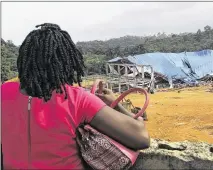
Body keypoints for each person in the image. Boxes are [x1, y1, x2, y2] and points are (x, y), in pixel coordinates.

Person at [1, 23, 150, 169]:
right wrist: (115, 104)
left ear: (24, 60)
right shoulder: (76, 99)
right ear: (67, 61)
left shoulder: (4, 93)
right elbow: (141, 138)